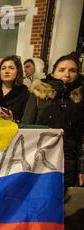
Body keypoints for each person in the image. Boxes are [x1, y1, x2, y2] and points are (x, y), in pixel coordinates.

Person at [21, 53, 83, 196]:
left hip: (67, 161)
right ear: (53, 72)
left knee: (59, 200)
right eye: (62, 70)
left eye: (72, 70)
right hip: (39, 157)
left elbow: (81, 135)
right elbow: (26, 126)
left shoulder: (80, 97)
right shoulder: (39, 93)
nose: (67, 74)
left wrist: (81, 167)